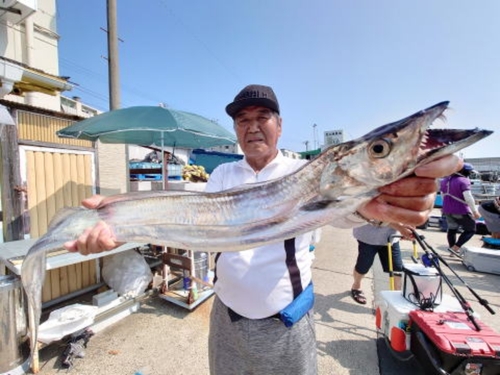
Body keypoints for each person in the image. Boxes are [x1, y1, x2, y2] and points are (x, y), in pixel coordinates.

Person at [65, 84, 462, 375]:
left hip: (284, 323)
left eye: (261, 117)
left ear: (279, 125)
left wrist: (379, 209)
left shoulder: (302, 172)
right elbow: (196, 220)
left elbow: (344, 213)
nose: (252, 127)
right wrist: (123, 218)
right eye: (242, 120)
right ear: (236, 130)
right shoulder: (222, 174)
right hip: (226, 317)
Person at [350, 223, 413, 304]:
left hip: (391, 237)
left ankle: (397, 296)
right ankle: (356, 286)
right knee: (363, 266)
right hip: (368, 236)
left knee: (397, 268)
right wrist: (401, 228)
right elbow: (377, 216)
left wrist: (409, 227)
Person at [440, 162, 481, 257]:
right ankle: (456, 247)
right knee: (471, 229)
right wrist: (475, 211)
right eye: (469, 172)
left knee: (452, 229)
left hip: (447, 209)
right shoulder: (464, 180)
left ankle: (452, 250)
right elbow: (468, 197)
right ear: (465, 171)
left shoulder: (444, 180)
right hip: (461, 209)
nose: (470, 174)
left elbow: (443, 196)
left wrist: (446, 206)